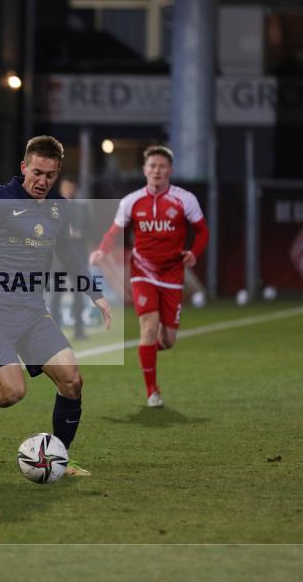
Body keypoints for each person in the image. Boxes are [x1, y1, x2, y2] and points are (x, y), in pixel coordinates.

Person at [0, 135, 112, 478]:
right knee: (12, 392)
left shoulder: (59, 207)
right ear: (24, 167)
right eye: (37, 172)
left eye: (50, 175)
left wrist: (95, 293)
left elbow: (69, 254)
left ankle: (60, 456)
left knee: (72, 381)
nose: (43, 181)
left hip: (33, 311)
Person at [88, 145, 208, 408]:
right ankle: (152, 392)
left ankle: (146, 352)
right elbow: (113, 231)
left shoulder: (184, 200)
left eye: (162, 166)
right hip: (142, 271)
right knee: (149, 328)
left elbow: (202, 232)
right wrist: (102, 250)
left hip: (172, 274)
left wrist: (194, 254)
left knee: (167, 340)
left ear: (170, 171)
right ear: (145, 170)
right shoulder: (131, 201)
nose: (157, 170)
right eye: (152, 166)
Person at [48, 178, 90, 340]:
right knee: (56, 294)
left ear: (75, 188)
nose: (68, 189)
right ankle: (55, 332)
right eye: (66, 187)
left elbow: (91, 230)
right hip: (59, 258)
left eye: (71, 186)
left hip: (77, 256)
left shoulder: (82, 208)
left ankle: (79, 330)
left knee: (79, 293)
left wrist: (79, 234)